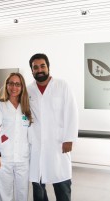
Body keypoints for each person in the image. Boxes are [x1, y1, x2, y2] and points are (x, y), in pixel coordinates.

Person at [27, 53, 78, 201]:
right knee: (38, 188)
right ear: (32, 71)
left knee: (62, 185)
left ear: (48, 67)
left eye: (42, 66)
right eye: (35, 67)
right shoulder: (29, 90)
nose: (39, 69)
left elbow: (72, 112)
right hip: (36, 146)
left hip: (58, 145)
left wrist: (69, 139)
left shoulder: (62, 85)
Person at [0, 72, 33, 201]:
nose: (14, 87)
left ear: (22, 87)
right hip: (4, 158)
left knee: (22, 193)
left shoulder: (27, 107)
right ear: (6, 85)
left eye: (17, 84)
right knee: (4, 194)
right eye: (11, 83)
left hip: (23, 158)